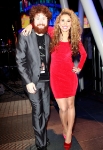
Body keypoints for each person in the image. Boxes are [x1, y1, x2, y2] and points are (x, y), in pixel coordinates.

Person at [22, 8, 87, 150]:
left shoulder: (74, 38)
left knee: (71, 106)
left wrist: (79, 67)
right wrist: (29, 25)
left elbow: (84, 54)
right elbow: (39, 24)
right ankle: (65, 128)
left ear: (72, 23)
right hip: (56, 77)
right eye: (62, 20)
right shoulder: (52, 33)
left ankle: (69, 133)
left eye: (68, 21)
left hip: (70, 77)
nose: (65, 23)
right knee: (62, 108)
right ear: (58, 22)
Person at [16, 5, 52, 150]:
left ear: (47, 20)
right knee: (38, 113)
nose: (41, 21)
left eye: (44, 18)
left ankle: (41, 135)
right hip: (33, 82)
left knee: (47, 112)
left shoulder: (48, 37)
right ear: (33, 20)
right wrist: (27, 81)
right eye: (38, 18)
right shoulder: (25, 36)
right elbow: (20, 60)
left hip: (46, 81)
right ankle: (41, 144)